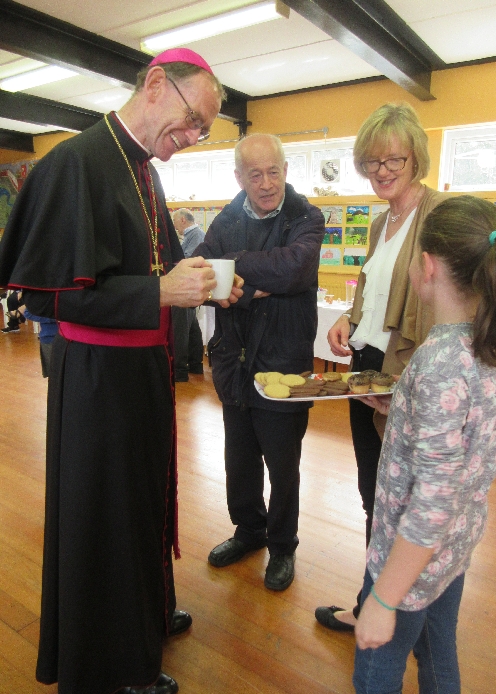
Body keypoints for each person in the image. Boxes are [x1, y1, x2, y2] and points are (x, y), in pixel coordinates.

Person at [0, 48, 243, 694]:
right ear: (157, 84)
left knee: (142, 502)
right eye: (193, 121)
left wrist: (207, 283)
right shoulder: (74, 163)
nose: (192, 137)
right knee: (108, 518)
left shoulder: (143, 171)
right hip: (98, 382)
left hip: (141, 372)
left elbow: (161, 266)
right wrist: (160, 294)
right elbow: (48, 298)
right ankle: (116, 667)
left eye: (203, 131)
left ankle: (148, 616)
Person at [351, 195, 496, 694]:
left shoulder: (439, 360)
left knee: (376, 677)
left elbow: (432, 499)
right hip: (455, 545)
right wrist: (405, 413)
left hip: (407, 559)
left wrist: (383, 599)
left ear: (426, 266)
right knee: (439, 654)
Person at [315, 103, 449, 632]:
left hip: (406, 372)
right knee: (373, 490)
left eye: (394, 159)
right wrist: (349, 318)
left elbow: (450, 306)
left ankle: (389, 608)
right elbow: (374, 290)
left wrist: (411, 388)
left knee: (404, 498)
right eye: (372, 161)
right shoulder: (380, 222)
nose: (383, 170)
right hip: (367, 366)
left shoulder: (438, 215)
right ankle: (375, 602)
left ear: (416, 158)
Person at [194, 133, 325, 591]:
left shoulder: (306, 217)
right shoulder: (225, 220)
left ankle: (282, 545)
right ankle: (249, 531)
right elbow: (201, 273)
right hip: (233, 362)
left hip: (284, 365)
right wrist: (257, 284)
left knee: (283, 465)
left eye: (273, 172)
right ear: (239, 178)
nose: (266, 183)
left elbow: (294, 269)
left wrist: (234, 267)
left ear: (285, 170)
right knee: (240, 460)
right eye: (255, 175)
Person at [171, 209, 206, 380]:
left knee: (181, 329)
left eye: (175, 222)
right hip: (189, 287)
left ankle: (180, 370)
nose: (175, 226)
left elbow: (187, 260)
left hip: (185, 287)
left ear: (183, 220)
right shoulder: (194, 235)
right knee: (191, 326)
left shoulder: (195, 235)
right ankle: (194, 364)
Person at [21, 307, 58, 377]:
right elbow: (28, 313)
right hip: (49, 338)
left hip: (71, 338)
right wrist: (52, 319)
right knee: (53, 374)